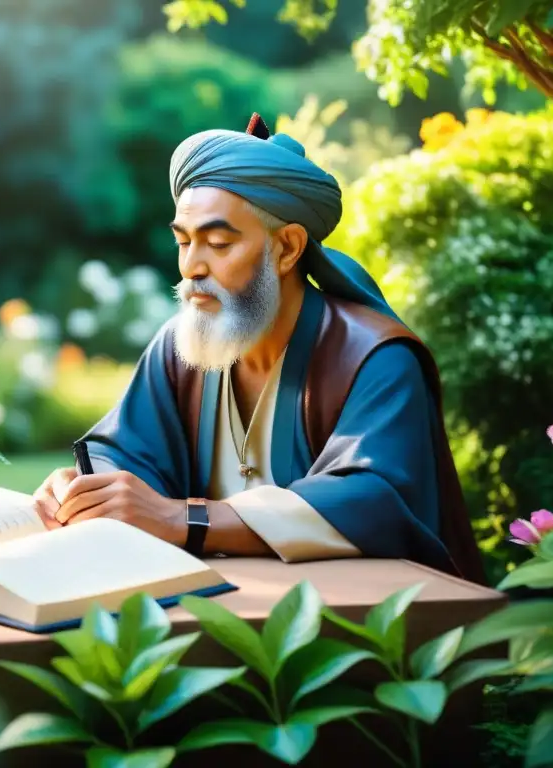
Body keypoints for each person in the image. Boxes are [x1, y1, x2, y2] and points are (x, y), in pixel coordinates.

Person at [33, 113, 483, 583]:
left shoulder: (375, 358)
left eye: (219, 243)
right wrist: (88, 490)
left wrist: (186, 520)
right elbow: (127, 450)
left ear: (287, 248)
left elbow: (372, 499)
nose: (191, 267)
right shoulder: (181, 347)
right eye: (183, 242)